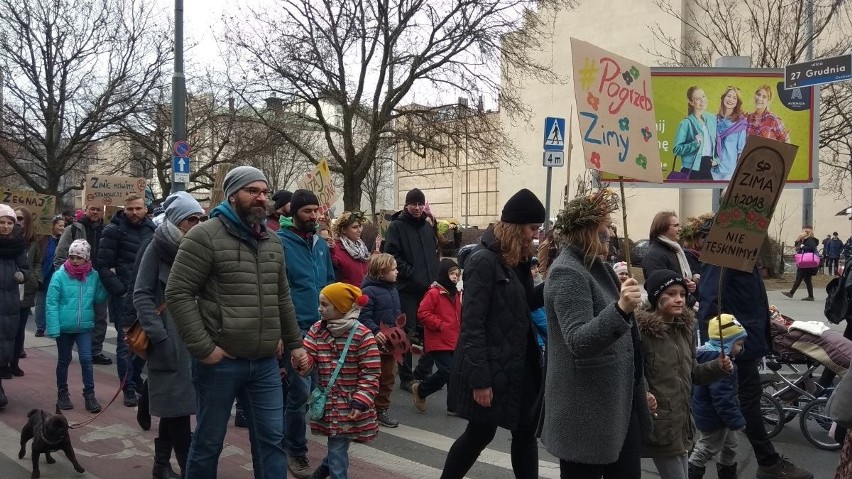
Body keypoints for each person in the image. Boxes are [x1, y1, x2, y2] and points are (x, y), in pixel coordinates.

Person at [165, 165, 306, 479]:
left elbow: (281, 297)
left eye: (264, 192)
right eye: (252, 191)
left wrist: (295, 345)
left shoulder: (272, 241)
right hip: (220, 363)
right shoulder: (204, 236)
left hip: (266, 362)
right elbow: (178, 293)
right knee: (208, 442)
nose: (260, 197)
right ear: (232, 195)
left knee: (272, 440)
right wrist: (204, 348)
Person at [541, 189, 650, 478]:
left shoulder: (597, 268)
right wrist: (621, 309)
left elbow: (628, 342)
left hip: (617, 406)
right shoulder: (568, 273)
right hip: (586, 413)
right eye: (603, 234)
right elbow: (579, 340)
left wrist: (643, 388)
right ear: (585, 233)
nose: (609, 239)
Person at [442, 189, 545, 478]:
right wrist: (480, 381)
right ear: (515, 226)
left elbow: (525, 305)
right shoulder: (483, 261)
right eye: (532, 228)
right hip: (490, 366)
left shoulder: (518, 260)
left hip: (519, 365)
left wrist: (554, 284)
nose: (534, 236)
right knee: (479, 434)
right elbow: (472, 325)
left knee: (525, 433)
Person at [698, 262, 813, 479]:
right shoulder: (724, 254)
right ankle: (767, 462)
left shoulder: (745, 252)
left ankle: (737, 465)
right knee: (746, 400)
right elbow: (709, 300)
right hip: (734, 346)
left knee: (742, 401)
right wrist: (716, 349)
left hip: (745, 341)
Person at [133, 191, 205, 478]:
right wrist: (158, 335)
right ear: (176, 220)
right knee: (178, 410)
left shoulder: (201, 247)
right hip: (168, 339)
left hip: (195, 338)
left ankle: (161, 464)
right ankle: (189, 468)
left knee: (178, 407)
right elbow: (141, 295)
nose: (198, 223)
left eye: (201, 218)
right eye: (192, 219)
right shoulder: (157, 247)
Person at [637, 270, 730, 479]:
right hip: (660, 423)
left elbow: (693, 373)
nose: (678, 299)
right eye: (670, 294)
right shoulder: (641, 333)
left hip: (682, 423)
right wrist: (644, 393)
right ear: (655, 297)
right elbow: (633, 373)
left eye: (681, 293)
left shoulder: (685, 329)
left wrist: (718, 366)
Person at [278, 188, 336, 478]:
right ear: (293, 213)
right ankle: (296, 451)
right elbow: (278, 290)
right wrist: (282, 333)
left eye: (316, 211)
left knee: (321, 389)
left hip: (321, 328)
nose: (314, 216)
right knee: (299, 393)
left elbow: (328, 283)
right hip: (296, 328)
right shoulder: (279, 243)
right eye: (307, 211)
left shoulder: (320, 243)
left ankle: (324, 448)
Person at [296, 282, 380, 479]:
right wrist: (301, 361)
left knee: (337, 447)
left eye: (325, 304)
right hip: (329, 403)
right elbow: (309, 364)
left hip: (350, 404)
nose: (319, 308)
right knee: (337, 447)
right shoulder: (317, 329)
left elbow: (371, 372)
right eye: (320, 303)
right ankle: (323, 471)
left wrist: (361, 400)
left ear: (342, 307)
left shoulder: (363, 335)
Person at [97, 193, 155, 406]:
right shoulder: (113, 230)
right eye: (130, 209)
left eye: (138, 208)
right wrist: (121, 291)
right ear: (124, 209)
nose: (134, 212)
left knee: (147, 340)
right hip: (124, 294)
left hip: (147, 294)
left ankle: (135, 377)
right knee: (126, 344)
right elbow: (102, 265)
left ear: (146, 209)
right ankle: (127, 387)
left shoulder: (152, 230)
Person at [384, 188, 439, 391]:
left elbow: (433, 255)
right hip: (407, 288)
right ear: (406, 205)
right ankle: (406, 377)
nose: (417, 208)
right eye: (413, 204)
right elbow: (391, 256)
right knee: (406, 333)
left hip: (429, 289)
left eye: (420, 204)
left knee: (431, 331)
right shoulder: (397, 227)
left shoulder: (426, 227)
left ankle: (423, 372)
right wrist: (412, 273)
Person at [46, 239, 108, 413]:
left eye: (78, 257)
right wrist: (53, 327)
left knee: (87, 360)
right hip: (64, 327)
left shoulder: (93, 276)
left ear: (86, 258)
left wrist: (106, 283)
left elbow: (98, 298)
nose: (74, 260)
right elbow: (51, 302)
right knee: (64, 360)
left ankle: (89, 394)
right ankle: (62, 393)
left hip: (84, 327)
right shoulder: (59, 275)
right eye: (71, 256)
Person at [688, 314, 748, 479]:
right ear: (726, 344)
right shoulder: (722, 365)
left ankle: (727, 473)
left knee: (731, 445)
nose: (741, 348)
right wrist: (736, 420)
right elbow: (723, 398)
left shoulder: (707, 355)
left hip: (714, 414)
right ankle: (690, 472)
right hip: (715, 417)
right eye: (739, 344)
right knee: (706, 448)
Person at [54, 204, 111, 366]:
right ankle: (67, 350)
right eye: (92, 208)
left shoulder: (108, 230)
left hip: (98, 280)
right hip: (75, 281)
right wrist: (66, 277)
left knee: (100, 317)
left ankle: (95, 351)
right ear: (86, 209)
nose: (95, 211)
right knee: (73, 315)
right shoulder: (73, 229)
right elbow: (60, 255)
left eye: (98, 209)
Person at [412, 258, 461, 414]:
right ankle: (421, 390)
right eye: (452, 273)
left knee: (455, 373)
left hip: (453, 338)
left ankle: (453, 406)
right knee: (447, 370)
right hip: (438, 338)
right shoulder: (434, 292)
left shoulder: (456, 293)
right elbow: (422, 313)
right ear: (444, 274)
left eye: (457, 274)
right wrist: (439, 325)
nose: (455, 277)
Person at [359, 253, 402, 428]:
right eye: (393, 269)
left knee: (388, 376)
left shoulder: (393, 289)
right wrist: (375, 330)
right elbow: (363, 316)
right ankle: (364, 409)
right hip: (374, 342)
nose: (397, 272)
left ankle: (380, 410)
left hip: (391, 341)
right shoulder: (369, 291)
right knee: (371, 377)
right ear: (381, 271)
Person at [0, 204, 28, 408]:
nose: (6, 226)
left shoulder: (18, 245)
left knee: (3, 346)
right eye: (2, 222)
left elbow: (26, 268)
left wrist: (23, 275)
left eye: (10, 222)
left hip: (9, 302)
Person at [642, 211, 698, 295]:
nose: (680, 229)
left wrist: (690, 282)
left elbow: (678, 277)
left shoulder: (674, 250)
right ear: (662, 227)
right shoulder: (654, 254)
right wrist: (684, 288)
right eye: (676, 225)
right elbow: (658, 286)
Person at [673, 86, 717, 180]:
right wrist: (694, 144)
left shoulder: (712, 118)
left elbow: (718, 141)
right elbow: (676, 149)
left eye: (703, 96)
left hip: (708, 165)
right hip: (692, 169)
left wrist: (717, 159)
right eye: (698, 99)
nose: (702, 100)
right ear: (691, 103)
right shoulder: (686, 123)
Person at [12, 207, 36, 375]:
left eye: (20, 219)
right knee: (7, 329)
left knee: (20, 329)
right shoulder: (6, 240)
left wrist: (36, 279)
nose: (17, 223)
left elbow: (38, 262)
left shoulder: (33, 242)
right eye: (15, 219)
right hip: (8, 291)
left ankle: (14, 363)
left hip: (26, 291)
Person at [33, 215, 65, 337]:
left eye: (63, 225)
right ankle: (40, 327)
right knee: (41, 303)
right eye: (60, 225)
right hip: (45, 275)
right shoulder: (43, 240)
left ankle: (58, 326)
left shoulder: (64, 239)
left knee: (58, 302)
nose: (62, 228)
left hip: (59, 275)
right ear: (52, 226)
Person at [713, 86, 747, 181]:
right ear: (724, 97)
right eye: (728, 96)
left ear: (737, 102)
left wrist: (739, 172)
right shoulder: (714, 120)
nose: (730, 99)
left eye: (734, 98)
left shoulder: (740, 123)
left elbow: (741, 150)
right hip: (713, 169)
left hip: (730, 171)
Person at [331, 211, 371, 286]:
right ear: (343, 230)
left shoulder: (362, 248)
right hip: (347, 295)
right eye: (355, 227)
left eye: (360, 226)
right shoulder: (335, 250)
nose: (359, 230)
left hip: (364, 294)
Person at [783, 228, 819, 301]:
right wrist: (798, 239)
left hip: (806, 262)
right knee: (807, 280)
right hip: (805, 263)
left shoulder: (810, 240)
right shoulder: (804, 241)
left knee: (799, 278)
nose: (802, 233)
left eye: (803, 233)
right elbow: (796, 245)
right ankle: (810, 296)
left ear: (807, 234)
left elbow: (811, 248)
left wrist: (803, 246)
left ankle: (791, 293)